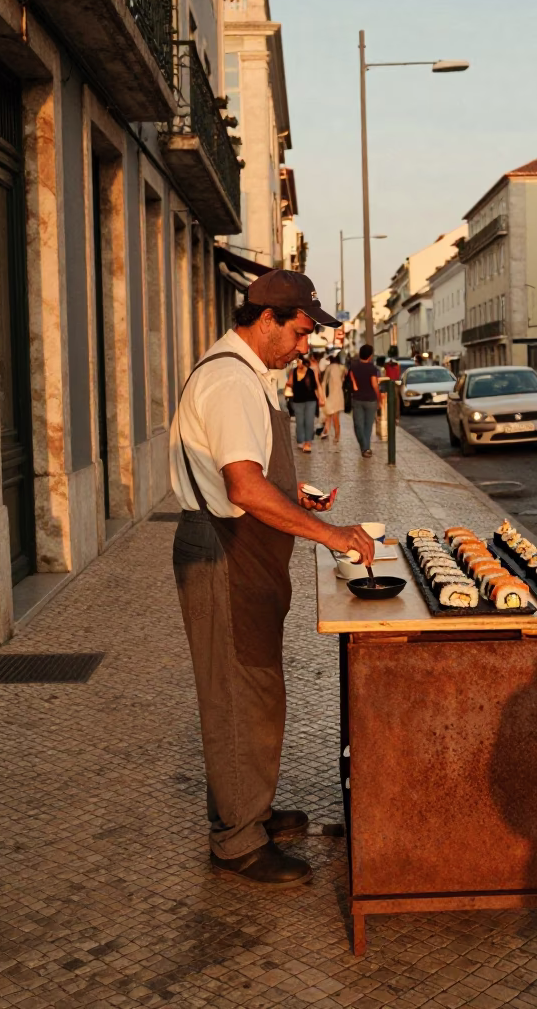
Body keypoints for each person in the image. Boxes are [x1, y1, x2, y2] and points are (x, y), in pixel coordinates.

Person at [170, 269, 375, 888]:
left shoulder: (243, 371)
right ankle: (237, 842)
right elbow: (242, 486)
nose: (305, 345)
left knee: (253, 689)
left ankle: (248, 811)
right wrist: (334, 535)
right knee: (239, 693)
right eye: (302, 330)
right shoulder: (232, 380)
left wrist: (298, 495)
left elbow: (256, 473)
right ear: (267, 319)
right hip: (226, 551)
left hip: (243, 547)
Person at [348, 343, 381, 457]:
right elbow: (375, 385)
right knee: (368, 426)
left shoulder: (353, 367)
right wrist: (379, 398)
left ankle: (365, 447)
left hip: (357, 399)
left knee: (358, 425)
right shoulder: (372, 368)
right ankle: (366, 448)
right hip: (371, 399)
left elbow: (352, 383)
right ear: (370, 356)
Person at [287, 353, 324, 452]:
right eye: (296, 362)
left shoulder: (311, 372)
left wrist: (321, 397)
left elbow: (317, 385)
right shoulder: (293, 371)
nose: (298, 364)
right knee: (299, 421)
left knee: (309, 421)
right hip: (297, 400)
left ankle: (308, 442)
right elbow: (290, 383)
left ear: (303, 361)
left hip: (310, 400)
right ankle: (300, 440)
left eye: (299, 361)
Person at [322, 353, 346, 443]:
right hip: (339, 394)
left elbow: (324, 382)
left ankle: (333, 434)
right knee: (336, 416)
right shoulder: (342, 368)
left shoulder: (329, 368)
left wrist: (322, 395)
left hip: (331, 395)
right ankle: (335, 434)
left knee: (330, 415)